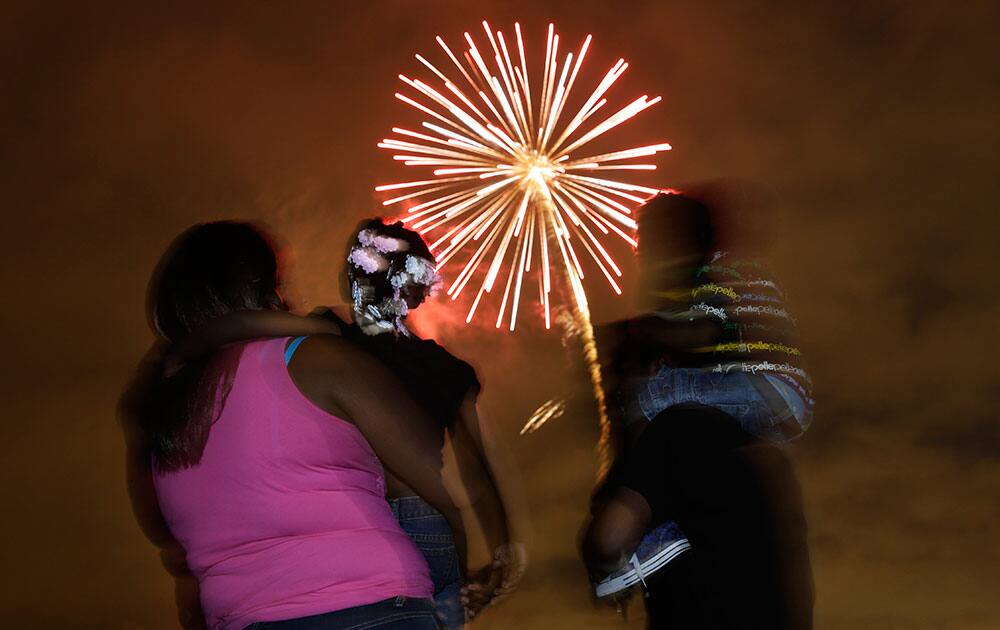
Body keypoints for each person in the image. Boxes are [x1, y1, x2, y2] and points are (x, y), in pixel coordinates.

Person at [120, 221, 509, 629]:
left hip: (241, 616)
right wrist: (458, 566)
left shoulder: (158, 405)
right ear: (257, 287)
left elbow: (164, 531)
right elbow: (431, 481)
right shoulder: (315, 357)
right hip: (371, 604)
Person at [582, 180, 815, 629]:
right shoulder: (760, 466)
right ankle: (655, 535)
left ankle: (651, 539)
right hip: (773, 398)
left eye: (648, 237)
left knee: (653, 398)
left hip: (767, 386)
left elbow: (703, 333)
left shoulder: (713, 275)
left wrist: (639, 333)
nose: (641, 249)